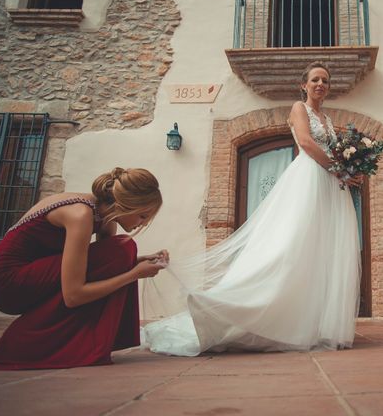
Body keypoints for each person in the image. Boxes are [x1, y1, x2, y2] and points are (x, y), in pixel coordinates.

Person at [143, 62, 362, 355]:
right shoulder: (300, 108)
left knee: (323, 249)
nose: (320, 84)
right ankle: (238, 305)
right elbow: (308, 144)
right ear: (304, 85)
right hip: (310, 179)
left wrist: (349, 168)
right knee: (290, 245)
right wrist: (339, 168)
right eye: (315, 80)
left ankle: (315, 322)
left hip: (331, 186)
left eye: (325, 80)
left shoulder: (328, 118)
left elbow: (333, 147)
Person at [0, 167, 168, 370]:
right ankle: (32, 342)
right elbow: (73, 295)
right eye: (142, 216)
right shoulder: (80, 214)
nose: (142, 224)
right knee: (124, 246)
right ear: (124, 206)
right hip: (7, 283)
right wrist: (134, 274)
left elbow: (109, 266)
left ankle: (91, 338)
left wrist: (141, 262)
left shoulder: (105, 217)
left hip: (35, 274)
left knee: (123, 249)